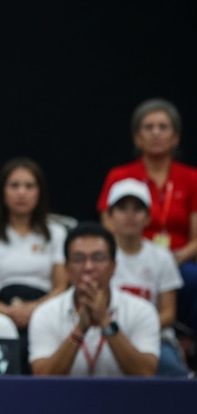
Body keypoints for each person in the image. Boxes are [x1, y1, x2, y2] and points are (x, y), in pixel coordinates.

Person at [96, 98, 197, 346]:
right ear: (136, 137)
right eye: (148, 127)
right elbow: (107, 225)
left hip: (180, 259)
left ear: (176, 137)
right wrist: (139, 252)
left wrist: (176, 257)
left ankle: (185, 338)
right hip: (130, 252)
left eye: (163, 127)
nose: (156, 133)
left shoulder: (191, 178)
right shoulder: (120, 176)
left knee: (190, 276)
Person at [0, 157, 68, 372]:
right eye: (14, 186)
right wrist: (8, 312)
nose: (21, 193)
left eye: (29, 186)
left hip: (44, 309)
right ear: (2, 192)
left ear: (39, 192)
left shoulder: (57, 234)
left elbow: (61, 287)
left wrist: (33, 310)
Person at [28, 222, 160, 377]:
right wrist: (80, 329)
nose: (88, 267)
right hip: (65, 400)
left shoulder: (141, 310)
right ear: (67, 269)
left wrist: (105, 321)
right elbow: (42, 377)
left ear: (113, 267)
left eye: (98, 258)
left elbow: (146, 373)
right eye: (78, 259)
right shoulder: (46, 313)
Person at [103, 178, 189, 376]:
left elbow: (168, 313)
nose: (130, 215)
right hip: (104, 335)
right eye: (122, 208)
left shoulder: (162, 257)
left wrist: (137, 331)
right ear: (109, 216)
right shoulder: (98, 256)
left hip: (155, 338)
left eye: (137, 209)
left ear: (148, 217)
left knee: (177, 377)